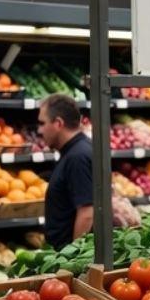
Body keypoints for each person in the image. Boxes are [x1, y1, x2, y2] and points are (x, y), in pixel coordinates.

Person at [38, 94, 93, 248]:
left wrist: (72, 259)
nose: (39, 130)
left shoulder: (78, 157)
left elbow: (87, 213)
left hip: (66, 261)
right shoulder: (75, 151)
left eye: (42, 123)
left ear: (58, 123)